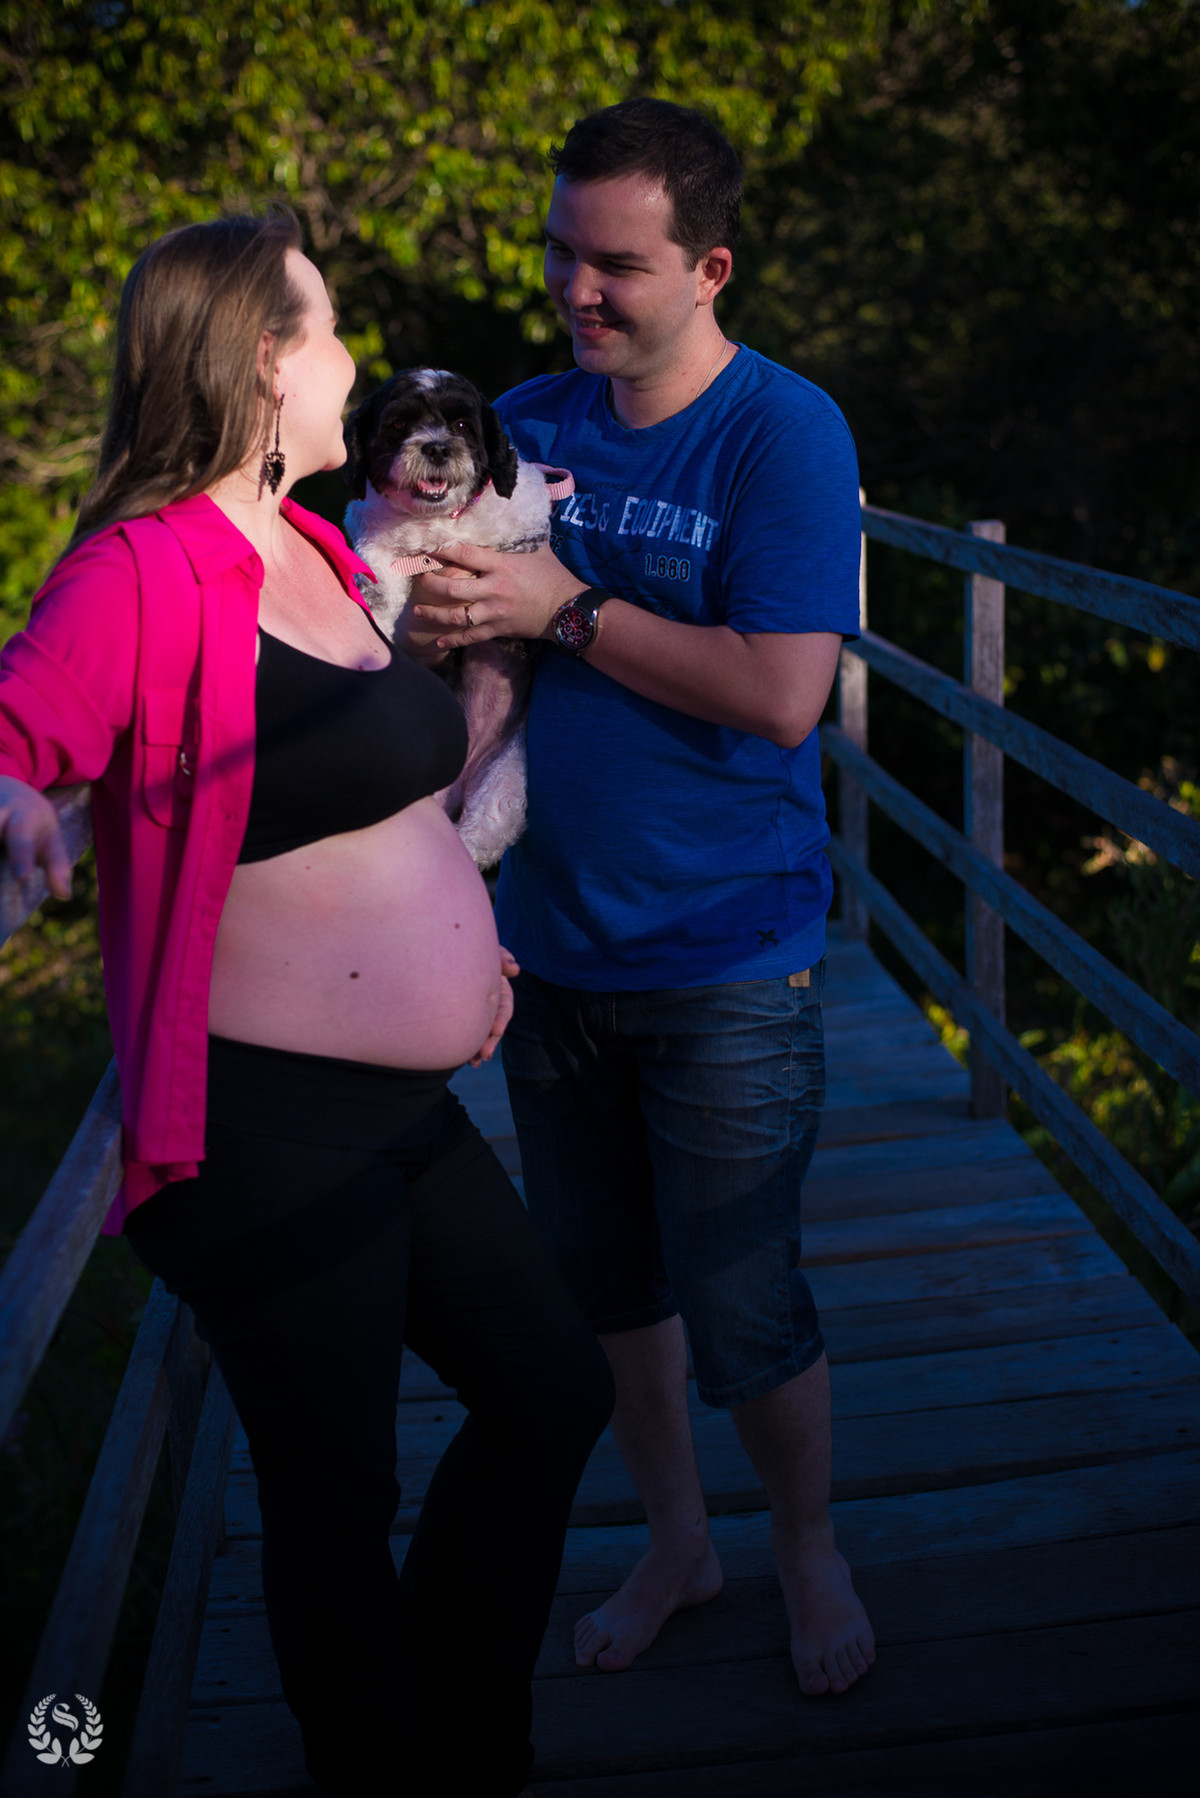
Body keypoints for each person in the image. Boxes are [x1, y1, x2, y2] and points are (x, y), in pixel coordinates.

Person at [0, 211, 613, 1797]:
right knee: (338, 1494)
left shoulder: (331, 549)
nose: (354, 353)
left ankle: (447, 1740)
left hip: (407, 1110)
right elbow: (18, 724)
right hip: (266, 1128)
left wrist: (460, 955)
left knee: (553, 1386)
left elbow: (388, 798)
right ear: (266, 364)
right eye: (330, 327)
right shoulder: (143, 569)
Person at [410, 98, 877, 1699]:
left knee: (744, 1299)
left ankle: (807, 1547)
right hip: (544, 948)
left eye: (616, 264)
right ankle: (679, 1538)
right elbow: (431, 616)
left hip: (728, 953)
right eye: (561, 251)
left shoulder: (784, 433)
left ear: (712, 266)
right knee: (607, 1293)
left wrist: (564, 603)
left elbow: (781, 695)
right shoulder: (525, 421)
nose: (575, 289)